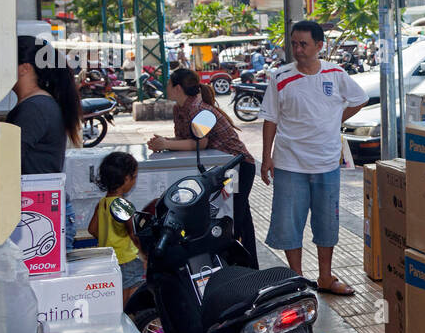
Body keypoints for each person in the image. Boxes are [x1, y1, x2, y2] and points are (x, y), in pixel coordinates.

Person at [260, 20, 367, 293]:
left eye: (303, 44)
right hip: (289, 162)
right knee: (288, 223)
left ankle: (326, 277)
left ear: (319, 46)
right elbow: (270, 119)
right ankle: (297, 280)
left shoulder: (336, 74)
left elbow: (359, 98)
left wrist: (334, 120)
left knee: (326, 222)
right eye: (294, 43)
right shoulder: (280, 77)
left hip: (326, 162)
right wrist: (266, 157)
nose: (297, 49)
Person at [149, 68, 260, 269]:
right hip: (222, 169)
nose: (165, 87)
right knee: (241, 217)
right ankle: (248, 266)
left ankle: (243, 268)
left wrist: (166, 143)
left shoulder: (198, 109)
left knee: (236, 219)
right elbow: (186, 141)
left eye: (168, 84)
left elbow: (199, 143)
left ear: (177, 87)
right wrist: (162, 142)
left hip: (238, 168)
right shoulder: (179, 108)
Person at [9, 36, 84, 248]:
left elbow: (9, 163)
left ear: (24, 68)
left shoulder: (35, 108)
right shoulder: (39, 104)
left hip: (41, 215)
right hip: (42, 212)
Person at [88, 151, 144, 303]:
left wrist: (109, 239)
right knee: (129, 295)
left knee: (117, 292)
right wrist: (145, 256)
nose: (134, 181)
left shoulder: (102, 203)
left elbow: (92, 229)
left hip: (109, 258)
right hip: (127, 258)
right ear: (126, 179)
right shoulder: (123, 205)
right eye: (135, 177)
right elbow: (133, 234)